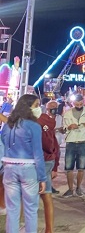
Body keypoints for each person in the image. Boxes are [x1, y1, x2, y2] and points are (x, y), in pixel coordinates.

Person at [1, 94, 46, 233]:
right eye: (36, 105)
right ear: (28, 107)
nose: (39, 109)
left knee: (12, 209)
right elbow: (38, 153)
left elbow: (3, 146)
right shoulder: (33, 126)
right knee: (31, 209)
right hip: (28, 169)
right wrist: (42, 178)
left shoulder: (8, 125)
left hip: (9, 168)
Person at [62, 94, 85, 198]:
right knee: (69, 168)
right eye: (77, 104)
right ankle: (70, 189)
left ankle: (79, 188)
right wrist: (69, 127)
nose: (79, 105)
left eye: (81, 103)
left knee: (81, 167)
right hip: (71, 142)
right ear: (73, 103)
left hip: (82, 142)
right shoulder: (67, 113)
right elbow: (63, 128)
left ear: (84, 102)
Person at [38, 100, 61, 233]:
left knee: (33, 198)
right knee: (45, 196)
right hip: (45, 160)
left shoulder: (44, 120)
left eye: (55, 107)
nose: (53, 109)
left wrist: (55, 166)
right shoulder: (41, 120)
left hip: (44, 160)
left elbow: (50, 144)